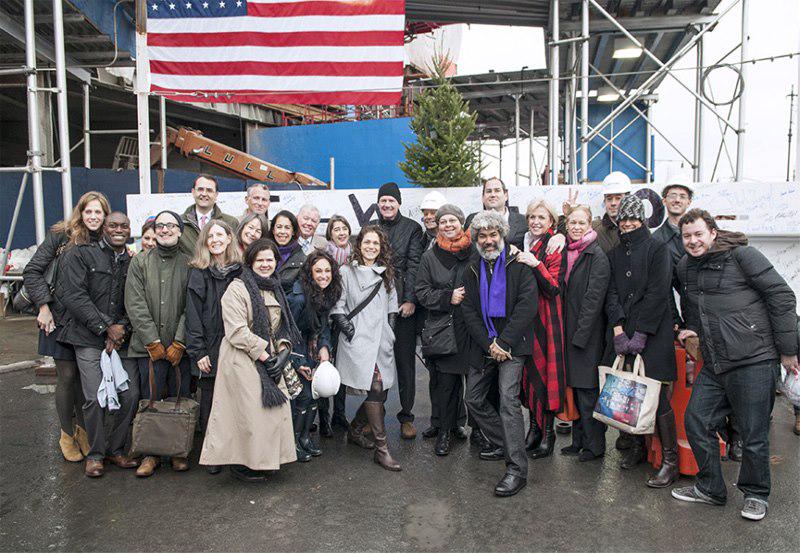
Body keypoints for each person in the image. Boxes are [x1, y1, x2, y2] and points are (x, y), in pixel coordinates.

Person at [672, 209, 799, 521]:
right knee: (697, 421)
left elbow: (782, 296)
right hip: (715, 362)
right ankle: (710, 488)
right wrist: (692, 328)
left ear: (713, 233)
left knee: (753, 433)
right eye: (687, 236)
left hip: (754, 359)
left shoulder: (743, 256)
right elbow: (695, 306)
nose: (693, 241)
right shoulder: (686, 266)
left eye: (698, 234)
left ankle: (756, 494)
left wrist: (788, 350)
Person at [199, 239, 301, 482]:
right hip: (242, 357)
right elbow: (236, 331)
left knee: (271, 413)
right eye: (260, 260)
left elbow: (283, 325)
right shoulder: (237, 289)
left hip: (269, 355)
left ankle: (266, 460)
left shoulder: (275, 286)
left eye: (270, 260)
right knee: (249, 415)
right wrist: (267, 357)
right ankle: (242, 465)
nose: (265, 264)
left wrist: (283, 351)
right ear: (250, 262)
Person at [23, 191, 111, 463]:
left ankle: (83, 429)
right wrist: (43, 306)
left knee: (85, 380)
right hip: (58, 319)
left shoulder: (105, 241)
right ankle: (65, 433)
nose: (93, 217)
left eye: (98, 212)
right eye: (89, 211)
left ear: (105, 216)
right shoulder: (62, 236)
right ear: (80, 212)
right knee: (67, 376)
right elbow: (32, 271)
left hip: (86, 321)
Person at [461, 210, 538, 497]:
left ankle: (516, 469)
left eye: (493, 234)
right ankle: (509, 444)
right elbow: (469, 311)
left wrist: (504, 343)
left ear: (502, 235)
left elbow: (527, 306)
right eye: (482, 236)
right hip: (486, 345)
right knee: (473, 398)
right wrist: (489, 344)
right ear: (476, 239)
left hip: (513, 345)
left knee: (508, 399)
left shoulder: (519, 264)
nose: (488, 240)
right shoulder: (471, 268)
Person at [57, 212, 139, 477]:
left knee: (130, 395)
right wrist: (105, 327)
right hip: (88, 337)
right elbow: (74, 296)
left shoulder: (133, 261)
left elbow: (137, 300)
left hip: (121, 339)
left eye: (123, 226)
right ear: (104, 228)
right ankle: (95, 454)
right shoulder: (82, 254)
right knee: (94, 397)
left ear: (130, 230)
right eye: (113, 225)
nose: (118, 230)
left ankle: (116, 449)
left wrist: (121, 327)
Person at [605, 195, 678, 487]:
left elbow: (659, 292)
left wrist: (642, 332)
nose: (628, 224)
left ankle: (670, 461)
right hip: (624, 332)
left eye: (633, 219)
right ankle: (636, 447)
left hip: (654, 332)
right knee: (628, 391)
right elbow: (611, 292)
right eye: (623, 219)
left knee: (657, 395)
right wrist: (618, 329)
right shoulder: (614, 253)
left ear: (643, 220)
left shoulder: (658, 248)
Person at [125, 210, 192, 478]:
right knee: (151, 398)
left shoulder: (189, 264)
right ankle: (150, 454)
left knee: (178, 396)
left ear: (180, 231)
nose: (165, 230)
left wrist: (180, 341)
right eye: (160, 225)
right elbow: (135, 303)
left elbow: (191, 306)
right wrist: (152, 341)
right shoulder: (140, 262)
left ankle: (177, 451)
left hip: (179, 348)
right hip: (148, 349)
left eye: (171, 225)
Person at [330, 225, 402, 471]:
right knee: (375, 387)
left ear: (381, 248)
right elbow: (337, 306)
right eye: (367, 242)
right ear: (358, 245)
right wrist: (351, 332)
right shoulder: (345, 272)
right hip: (358, 339)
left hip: (381, 338)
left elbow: (392, 304)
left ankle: (356, 428)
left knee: (381, 392)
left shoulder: (386, 272)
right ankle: (382, 450)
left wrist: (390, 331)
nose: (371, 247)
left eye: (376, 243)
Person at [184, 219, 242, 475]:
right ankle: (214, 454)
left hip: (236, 345)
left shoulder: (240, 271)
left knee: (236, 399)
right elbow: (193, 315)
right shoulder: (199, 272)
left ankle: (236, 451)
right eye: (211, 236)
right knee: (210, 401)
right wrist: (198, 351)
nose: (216, 240)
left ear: (229, 238)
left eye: (220, 235)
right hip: (208, 347)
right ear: (205, 242)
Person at [415, 204, 473, 456]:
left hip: (471, 328)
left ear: (461, 223)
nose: (448, 225)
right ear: (437, 226)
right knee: (446, 383)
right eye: (443, 221)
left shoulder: (475, 251)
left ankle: (470, 428)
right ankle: (444, 431)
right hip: (443, 328)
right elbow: (421, 291)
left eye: (453, 220)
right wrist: (448, 297)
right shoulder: (430, 257)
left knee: (473, 383)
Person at [371, 182, 423, 439]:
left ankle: (407, 416)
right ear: (378, 203)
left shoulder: (413, 229)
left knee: (405, 363)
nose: (387, 204)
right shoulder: (371, 228)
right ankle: (375, 415)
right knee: (377, 363)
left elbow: (414, 265)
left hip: (403, 305)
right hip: (377, 305)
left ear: (399, 203)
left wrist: (410, 299)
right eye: (383, 201)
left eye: (391, 200)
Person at [515, 199, 566, 460]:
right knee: (528, 376)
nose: (536, 222)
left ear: (551, 222)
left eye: (541, 218)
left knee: (545, 377)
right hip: (526, 319)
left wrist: (536, 264)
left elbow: (554, 287)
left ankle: (548, 434)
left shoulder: (553, 245)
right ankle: (534, 429)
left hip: (546, 319)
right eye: (532, 217)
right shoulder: (523, 241)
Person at [559, 205, 610, 462]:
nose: (576, 227)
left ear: (590, 225)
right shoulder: (568, 251)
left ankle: (595, 446)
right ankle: (578, 441)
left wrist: (580, 336)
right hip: (569, 332)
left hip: (586, 336)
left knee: (588, 392)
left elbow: (593, 300)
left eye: (581, 223)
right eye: (572, 223)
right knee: (576, 391)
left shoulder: (596, 255)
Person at [287, 251, 339, 454]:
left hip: (314, 350)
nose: (323, 275)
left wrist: (325, 349)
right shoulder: (298, 298)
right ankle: (293, 442)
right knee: (302, 396)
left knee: (314, 396)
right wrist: (299, 362)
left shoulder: (325, 294)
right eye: (318, 271)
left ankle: (305, 437)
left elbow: (323, 327)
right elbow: (288, 331)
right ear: (310, 273)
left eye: (327, 271)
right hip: (298, 352)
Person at [319, 214, 352, 429]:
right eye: (336, 229)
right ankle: (323, 418)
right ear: (330, 233)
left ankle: (339, 414)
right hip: (324, 318)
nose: (341, 232)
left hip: (345, 318)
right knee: (323, 364)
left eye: (344, 228)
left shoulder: (355, 257)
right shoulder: (323, 256)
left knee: (341, 367)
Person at [180, 174, 239, 254]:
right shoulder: (180, 222)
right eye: (200, 189)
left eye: (209, 190)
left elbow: (235, 253)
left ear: (216, 194)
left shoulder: (231, 222)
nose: (204, 194)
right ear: (193, 192)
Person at [464, 178, 527, 250]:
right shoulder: (472, 219)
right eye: (488, 191)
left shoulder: (523, 221)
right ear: (483, 197)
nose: (493, 195)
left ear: (506, 195)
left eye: (497, 190)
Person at [592, 171, 632, 254]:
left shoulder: (638, 228)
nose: (613, 203)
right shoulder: (593, 229)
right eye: (609, 199)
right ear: (605, 201)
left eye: (618, 198)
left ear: (628, 199)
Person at [270, 210, 306, 294]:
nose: (282, 231)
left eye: (287, 228)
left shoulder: (302, 258)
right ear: (273, 230)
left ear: (293, 232)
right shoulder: (262, 251)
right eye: (279, 227)